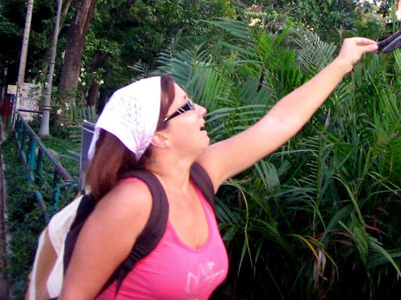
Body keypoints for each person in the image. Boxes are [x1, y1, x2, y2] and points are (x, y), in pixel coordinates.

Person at [59, 36, 378, 300]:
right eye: (185, 106)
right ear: (158, 136)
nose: (201, 109)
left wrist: (342, 63)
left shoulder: (199, 175)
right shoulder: (132, 202)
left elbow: (278, 123)